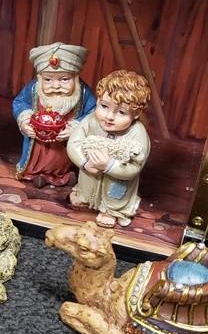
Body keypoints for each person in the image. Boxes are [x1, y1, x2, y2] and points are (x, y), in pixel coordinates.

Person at [66, 69, 151, 228]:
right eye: (104, 106)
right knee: (87, 184)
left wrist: (109, 165)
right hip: (89, 174)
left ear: (136, 113)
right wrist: (84, 163)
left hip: (116, 181)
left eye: (121, 112)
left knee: (115, 194)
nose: (109, 116)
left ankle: (111, 211)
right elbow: (74, 143)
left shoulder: (137, 133)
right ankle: (85, 197)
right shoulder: (91, 120)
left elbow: (135, 166)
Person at [13, 42, 96, 187]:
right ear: (40, 78)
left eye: (64, 79)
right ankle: (37, 173)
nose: (56, 86)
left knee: (63, 158)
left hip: (64, 144)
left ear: (75, 77)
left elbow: (93, 113)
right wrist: (25, 120)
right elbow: (20, 103)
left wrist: (75, 128)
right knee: (38, 158)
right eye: (48, 80)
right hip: (39, 142)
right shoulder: (33, 89)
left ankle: (65, 174)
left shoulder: (83, 93)